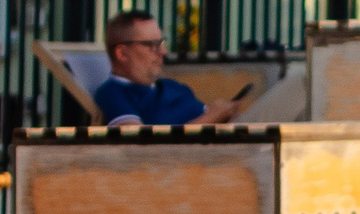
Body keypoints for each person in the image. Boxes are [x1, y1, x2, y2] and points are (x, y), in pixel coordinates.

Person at [93, 10, 249, 127]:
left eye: (161, 43)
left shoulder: (172, 86)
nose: (163, 52)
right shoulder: (113, 94)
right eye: (152, 45)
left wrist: (223, 112)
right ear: (122, 53)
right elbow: (142, 146)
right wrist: (213, 117)